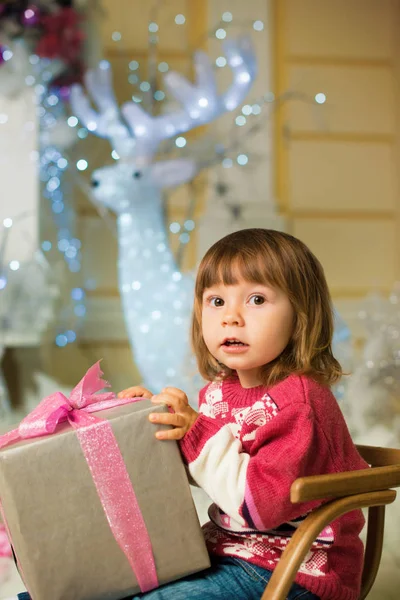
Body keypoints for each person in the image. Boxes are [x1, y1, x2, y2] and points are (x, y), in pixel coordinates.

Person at [16, 229, 368, 600]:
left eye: (257, 299)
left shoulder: (300, 401)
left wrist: (196, 432)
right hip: (222, 550)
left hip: (294, 568)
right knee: (78, 591)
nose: (231, 317)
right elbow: (212, 472)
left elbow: (258, 507)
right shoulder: (217, 392)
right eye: (216, 300)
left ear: (301, 316)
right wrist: (149, 425)